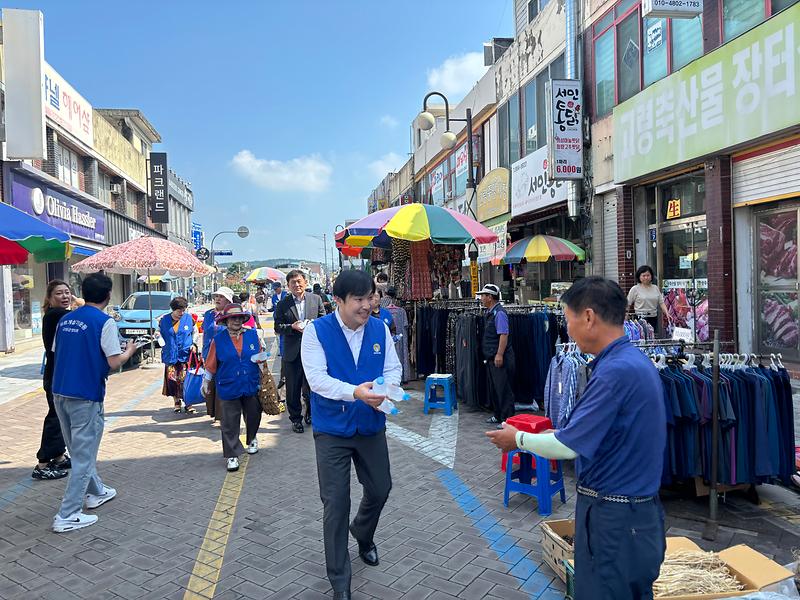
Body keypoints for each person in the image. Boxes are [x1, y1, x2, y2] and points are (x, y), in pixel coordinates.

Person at [486, 276, 667, 600]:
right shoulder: (632, 361)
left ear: (588, 317)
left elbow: (568, 446)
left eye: (568, 320)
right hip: (634, 518)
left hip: (616, 522)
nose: (566, 330)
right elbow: (582, 434)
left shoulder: (615, 373)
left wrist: (519, 439)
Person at [301, 270, 401, 600]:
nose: (366, 305)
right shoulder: (316, 331)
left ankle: (363, 531)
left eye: (370, 298)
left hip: (370, 425)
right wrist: (356, 392)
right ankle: (340, 580)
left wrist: (385, 390)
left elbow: (393, 369)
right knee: (336, 503)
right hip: (333, 429)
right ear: (338, 301)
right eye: (358, 299)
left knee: (381, 488)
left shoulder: (379, 328)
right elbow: (317, 381)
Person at [51, 273, 138, 532]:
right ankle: (67, 514)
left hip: (60, 391)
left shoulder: (65, 319)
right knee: (83, 457)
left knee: (77, 450)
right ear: (108, 294)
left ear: (83, 292)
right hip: (86, 394)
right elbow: (113, 362)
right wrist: (130, 352)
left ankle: (96, 491)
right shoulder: (105, 322)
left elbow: (57, 352)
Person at [202, 304, 264, 472]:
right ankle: (231, 455)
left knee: (253, 414)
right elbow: (211, 362)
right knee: (229, 422)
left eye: (239, 318)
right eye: (232, 318)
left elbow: (260, 356)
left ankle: (252, 438)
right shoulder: (219, 339)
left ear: (244, 319)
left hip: (250, 382)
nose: (236, 321)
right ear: (226, 321)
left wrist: (263, 369)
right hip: (228, 384)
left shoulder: (253, 335)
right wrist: (206, 381)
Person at [275, 270, 325, 432]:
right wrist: (292, 327)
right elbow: (277, 326)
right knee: (293, 388)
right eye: (292, 283)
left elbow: (324, 319)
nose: (296, 285)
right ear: (288, 286)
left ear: (305, 282)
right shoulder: (283, 304)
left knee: (312, 386)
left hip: (313, 352)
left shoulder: (316, 299)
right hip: (292, 352)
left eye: (299, 281)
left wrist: (313, 325)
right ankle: (296, 419)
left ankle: (310, 413)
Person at [33, 280, 73, 481]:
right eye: (59, 293)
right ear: (49, 298)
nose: (65, 296)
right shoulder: (56, 315)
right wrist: (82, 304)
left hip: (59, 373)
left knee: (61, 416)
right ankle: (42, 463)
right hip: (56, 375)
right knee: (55, 417)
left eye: (67, 292)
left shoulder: (59, 315)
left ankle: (58, 456)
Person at [479, 284, 515, 428]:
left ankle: (507, 419)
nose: (481, 298)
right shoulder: (491, 312)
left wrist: (499, 354)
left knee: (503, 389)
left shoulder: (499, 313)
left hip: (500, 358)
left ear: (490, 297)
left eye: (483, 296)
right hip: (491, 357)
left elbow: (503, 335)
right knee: (495, 388)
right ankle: (498, 415)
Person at [202, 287, 234, 422]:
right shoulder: (209, 314)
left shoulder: (232, 315)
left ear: (228, 300)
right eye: (216, 296)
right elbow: (204, 332)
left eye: (221, 297)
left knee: (223, 383)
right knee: (211, 384)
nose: (217, 299)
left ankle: (224, 414)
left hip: (224, 354)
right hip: (208, 352)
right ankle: (215, 412)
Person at [159, 296, 196, 414]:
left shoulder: (189, 319)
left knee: (185, 379)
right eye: (179, 310)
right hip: (170, 354)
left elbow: (195, 332)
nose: (182, 313)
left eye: (184, 310)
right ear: (173, 310)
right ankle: (176, 402)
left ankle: (188, 403)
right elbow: (157, 333)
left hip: (185, 355)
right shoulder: (163, 320)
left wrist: (194, 343)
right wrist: (158, 338)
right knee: (173, 380)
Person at [628, 265, 671, 331]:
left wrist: (667, 313)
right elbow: (628, 303)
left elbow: (661, 303)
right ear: (639, 277)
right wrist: (624, 316)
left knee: (652, 338)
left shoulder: (655, 288)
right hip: (640, 319)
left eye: (648, 275)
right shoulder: (635, 289)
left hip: (653, 318)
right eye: (643, 275)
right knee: (643, 338)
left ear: (651, 276)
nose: (646, 277)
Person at [270, 282, 288, 358]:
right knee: (279, 336)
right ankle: (282, 352)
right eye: (274, 289)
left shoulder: (286, 295)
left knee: (286, 336)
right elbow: (273, 307)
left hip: (286, 318)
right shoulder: (274, 297)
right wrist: (267, 310)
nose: (275, 290)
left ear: (280, 287)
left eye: (276, 289)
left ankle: (286, 351)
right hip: (277, 318)